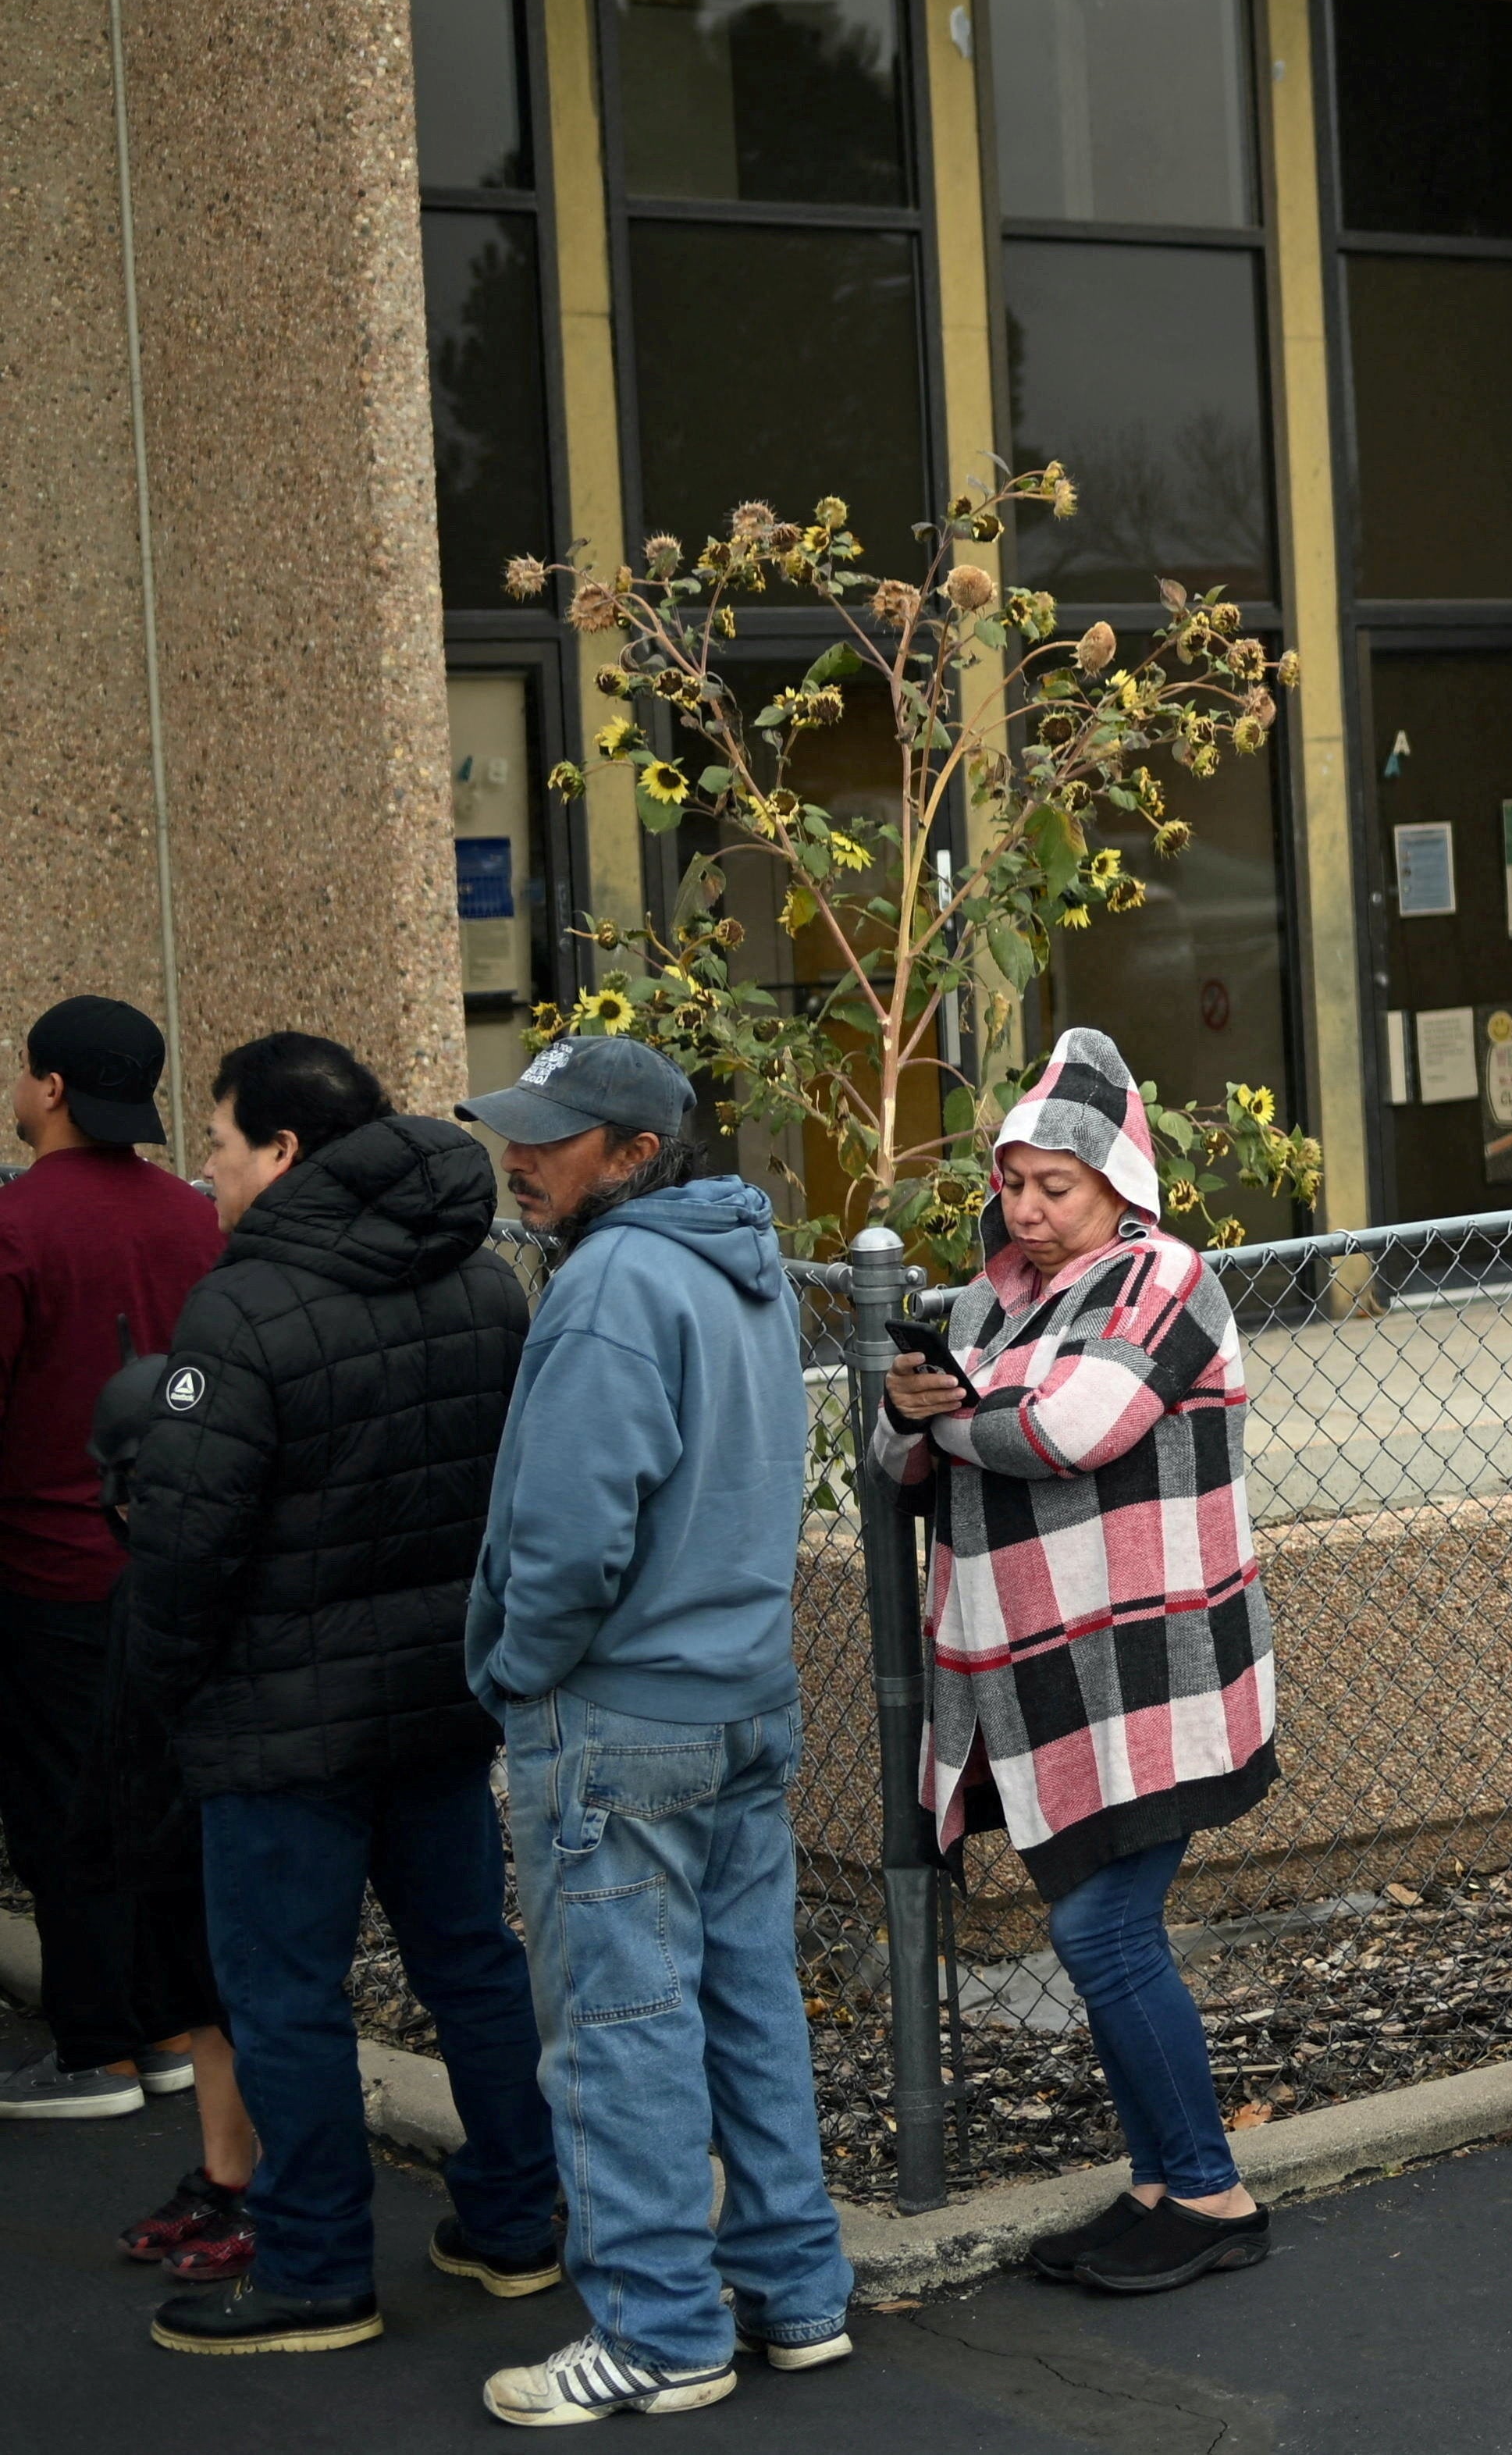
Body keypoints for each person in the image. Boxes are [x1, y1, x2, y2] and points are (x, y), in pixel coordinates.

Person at [106, 1035, 562, 2360]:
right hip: (440, 1695)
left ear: (287, 1153)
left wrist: (167, 1696)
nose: (204, 1164)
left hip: (274, 1724)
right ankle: (517, 2219)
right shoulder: (486, 1286)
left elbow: (185, 1543)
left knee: (288, 1992)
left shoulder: (239, 1313)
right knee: (471, 1956)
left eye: (222, 1138)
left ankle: (314, 2266)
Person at [456, 1032, 854, 2421]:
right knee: (746, 2005)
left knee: (619, 2028)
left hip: (622, 1716)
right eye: (517, 1127)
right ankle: (796, 2291)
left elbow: (570, 1536)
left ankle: (659, 2330)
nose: (520, 1154)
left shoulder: (615, 1283)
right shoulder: (734, 1265)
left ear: (635, 1152)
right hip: (739, 1699)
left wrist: (515, 1666)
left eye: (552, 1135)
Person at [873, 1030, 1275, 2297]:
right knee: (1097, 1922)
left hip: (1159, 1675)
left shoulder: (1168, 1280)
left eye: (1058, 1186)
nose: (1030, 1209)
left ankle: (1212, 2190)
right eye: (1016, 1183)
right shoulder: (987, 1297)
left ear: (1119, 1184)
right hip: (1039, 1680)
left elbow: (1075, 1428)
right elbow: (898, 1469)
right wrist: (907, 1415)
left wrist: (952, 1416)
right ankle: (1161, 2184)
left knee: (1101, 1927)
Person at [0, 996, 230, 2169]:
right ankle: (177, 2029)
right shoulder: (197, 1218)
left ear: (47, 1088)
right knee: (169, 1803)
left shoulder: (20, 1224)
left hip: (49, 1564)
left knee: (63, 1806)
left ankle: (95, 2048)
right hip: (183, 1561)